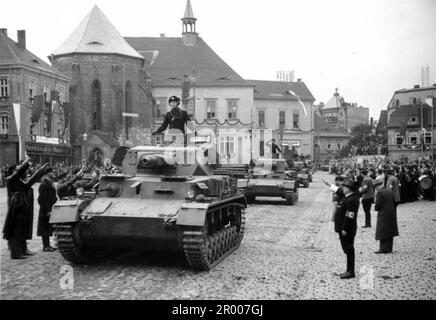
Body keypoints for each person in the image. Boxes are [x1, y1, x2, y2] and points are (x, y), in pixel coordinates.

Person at [2, 158, 48, 259]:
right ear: (13, 171)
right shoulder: (10, 179)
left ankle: (22, 250)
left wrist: (40, 171)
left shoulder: (18, 181)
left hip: (21, 209)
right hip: (15, 211)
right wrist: (26, 163)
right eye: (17, 168)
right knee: (15, 232)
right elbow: (19, 173)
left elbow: (30, 182)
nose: (19, 170)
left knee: (21, 230)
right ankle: (15, 253)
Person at [334, 179, 360, 279]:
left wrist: (345, 228)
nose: (343, 188)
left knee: (349, 250)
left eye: (344, 187)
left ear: (349, 189)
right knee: (347, 250)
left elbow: (350, 215)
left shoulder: (352, 200)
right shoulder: (348, 197)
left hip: (347, 229)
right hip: (343, 228)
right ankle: (348, 270)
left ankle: (350, 272)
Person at [374, 178, 399, 253]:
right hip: (391, 213)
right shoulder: (388, 191)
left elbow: (378, 204)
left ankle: (383, 249)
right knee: (389, 231)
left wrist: (376, 208)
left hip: (383, 214)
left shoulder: (380, 192)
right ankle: (389, 248)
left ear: (376, 186)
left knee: (382, 231)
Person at [37, 166, 58, 252]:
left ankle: (48, 245)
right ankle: (45, 246)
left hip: (50, 208)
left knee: (48, 228)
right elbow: (41, 199)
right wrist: (47, 210)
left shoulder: (49, 182)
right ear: (47, 173)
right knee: (44, 228)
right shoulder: (44, 184)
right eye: (51, 172)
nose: (53, 174)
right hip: (45, 210)